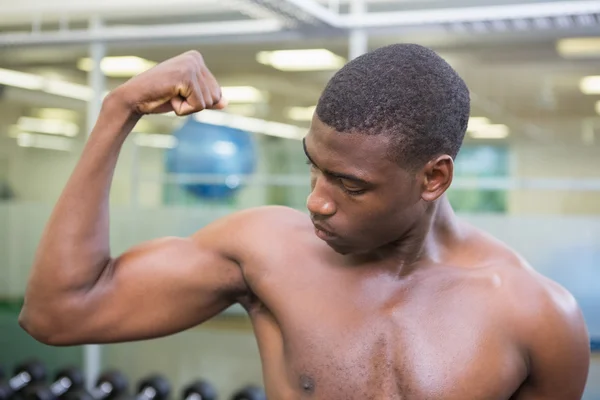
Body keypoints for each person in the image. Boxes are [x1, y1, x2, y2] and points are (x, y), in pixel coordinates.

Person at [19, 44, 590, 399]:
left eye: (350, 184)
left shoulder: (536, 318)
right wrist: (117, 112)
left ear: (433, 179)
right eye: (314, 168)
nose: (316, 202)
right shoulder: (267, 251)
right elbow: (58, 314)